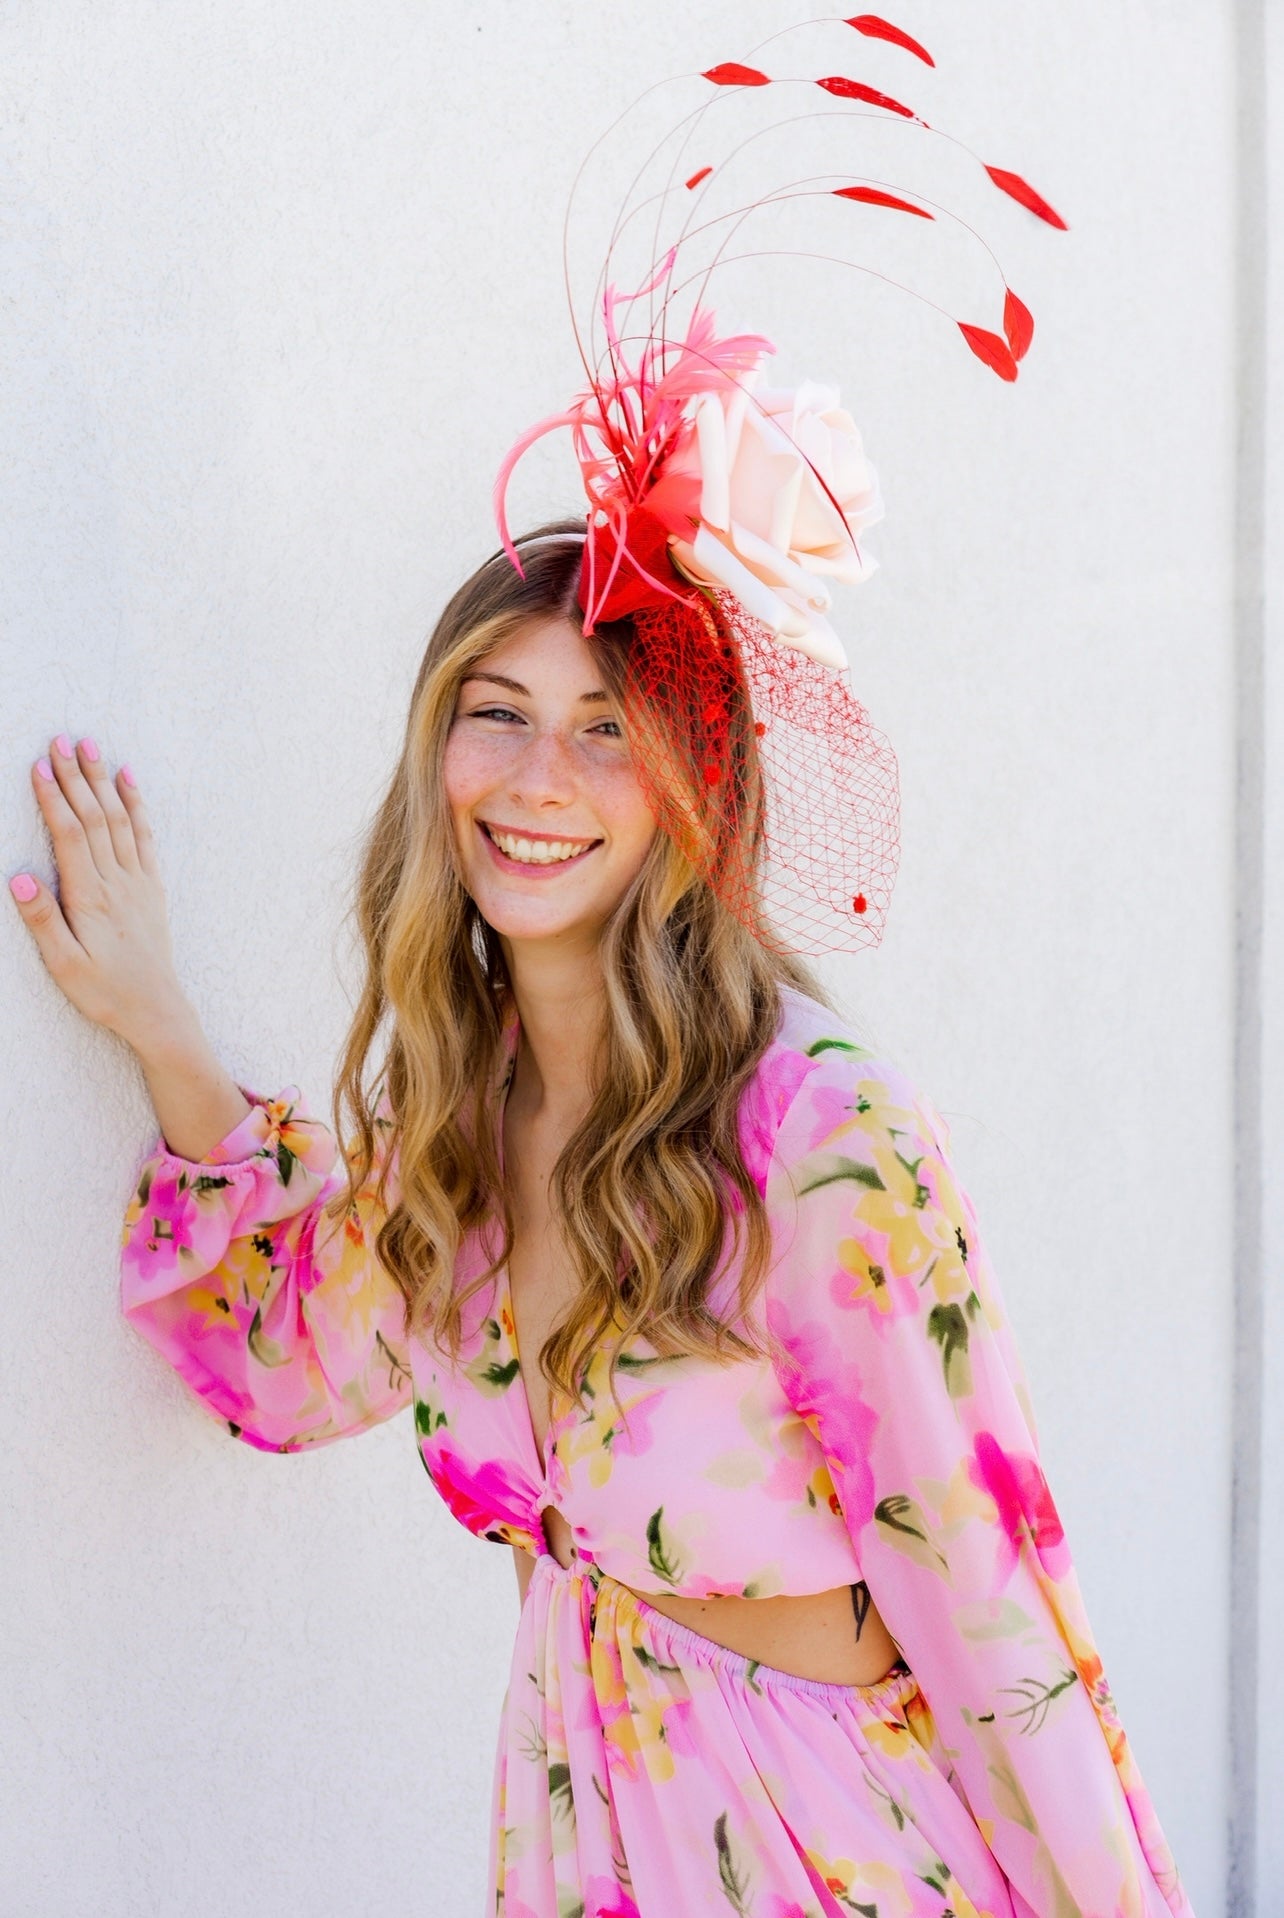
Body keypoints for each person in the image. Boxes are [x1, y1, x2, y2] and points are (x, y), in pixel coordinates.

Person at [8, 22, 1195, 1915]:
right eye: (495, 715)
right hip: (592, 1825)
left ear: (682, 788)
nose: (538, 780)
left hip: (834, 1846)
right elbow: (282, 1360)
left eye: (602, 727)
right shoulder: (458, 1133)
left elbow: (997, 1602)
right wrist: (157, 1025)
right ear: (435, 752)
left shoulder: (818, 1138)